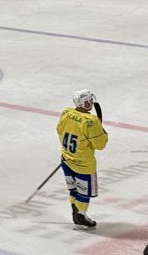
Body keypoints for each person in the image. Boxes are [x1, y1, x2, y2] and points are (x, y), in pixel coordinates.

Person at [56, 89, 108, 229]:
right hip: (84, 165)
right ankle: (80, 216)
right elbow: (100, 145)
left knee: (73, 189)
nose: (90, 102)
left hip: (66, 159)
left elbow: (59, 131)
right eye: (88, 101)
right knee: (84, 193)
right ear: (82, 103)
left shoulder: (66, 113)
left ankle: (76, 212)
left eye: (91, 100)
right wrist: (102, 131)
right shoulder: (91, 121)